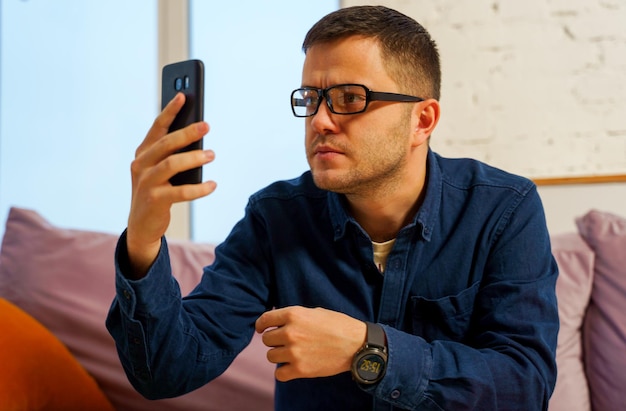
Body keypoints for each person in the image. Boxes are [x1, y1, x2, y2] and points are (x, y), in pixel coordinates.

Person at [106, 5, 559, 411]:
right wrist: (143, 240)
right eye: (310, 99)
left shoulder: (503, 209)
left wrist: (366, 349)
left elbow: (524, 385)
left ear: (422, 120)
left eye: (349, 99)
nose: (320, 121)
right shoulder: (275, 218)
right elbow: (169, 371)